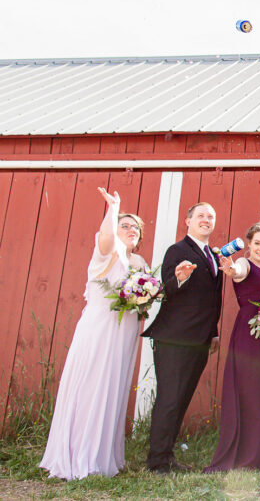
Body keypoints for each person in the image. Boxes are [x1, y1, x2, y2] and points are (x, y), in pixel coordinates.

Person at [40, 188, 148, 479]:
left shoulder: (138, 264)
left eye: (135, 228)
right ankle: (79, 457)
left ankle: (103, 457)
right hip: (100, 331)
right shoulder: (106, 254)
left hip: (124, 335)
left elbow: (149, 295)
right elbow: (105, 238)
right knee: (92, 386)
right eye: (125, 225)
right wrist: (114, 210)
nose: (130, 230)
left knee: (113, 390)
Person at [143, 201, 223, 473]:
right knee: (169, 399)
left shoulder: (213, 255)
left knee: (182, 398)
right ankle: (157, 462)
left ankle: (167, 456)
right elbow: (169, 287)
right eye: (200, 215)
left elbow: (213, 299)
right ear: (187, 221)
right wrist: (180, 278)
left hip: (199, 340)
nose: (206, 220)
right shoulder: (177, 250)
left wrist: (213, 333)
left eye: (210, 216)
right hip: (175, 339)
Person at [204, 222, 260, 473]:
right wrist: (231, 269)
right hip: (250, 333)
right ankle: (244, 456)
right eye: (257, 243)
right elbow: (237, 272)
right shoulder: (245, 264)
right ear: (248, 244)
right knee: (249, 389)